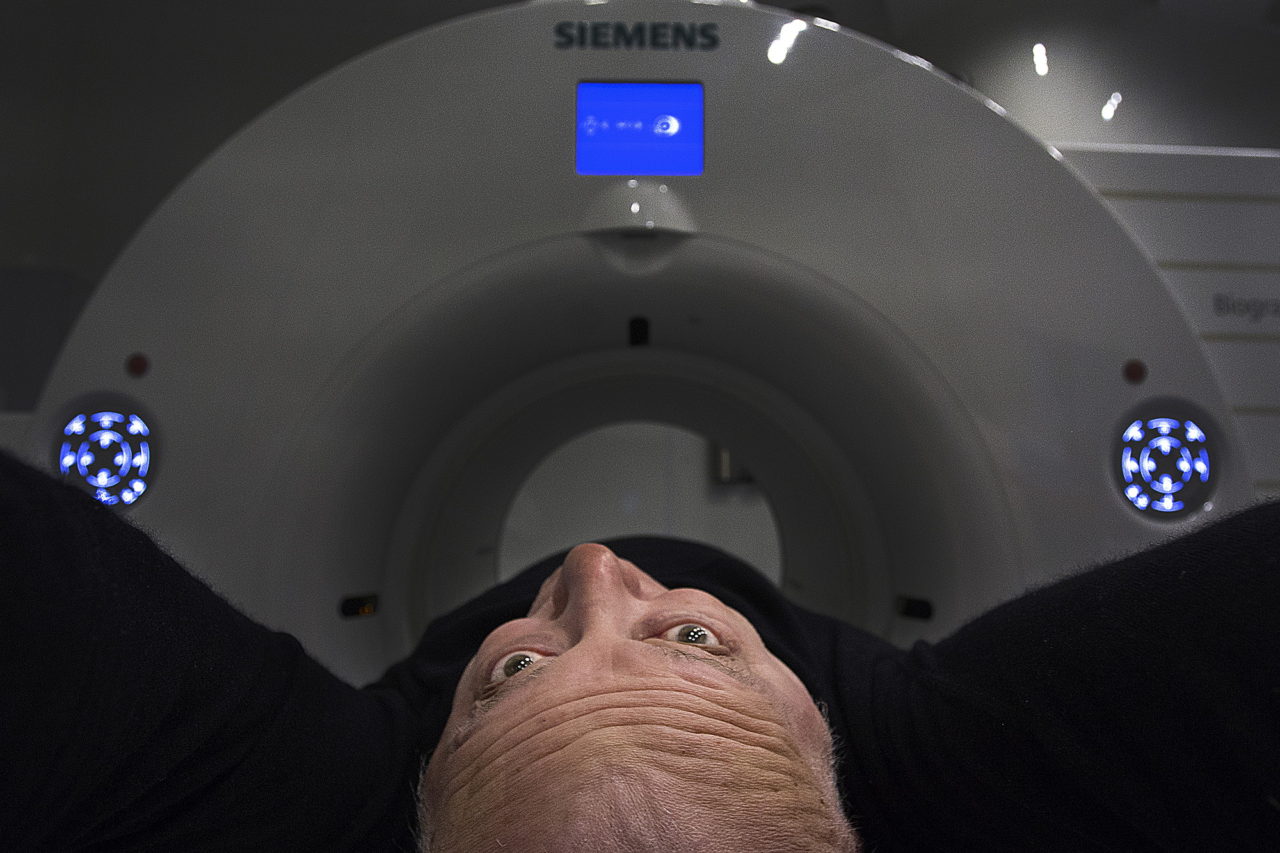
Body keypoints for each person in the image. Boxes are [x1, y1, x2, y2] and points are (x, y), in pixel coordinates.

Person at [2, 447, 1278, 851]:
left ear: (430, 791)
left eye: (516, 667)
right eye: (691, 640)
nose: (592, 569)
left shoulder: (326, 790)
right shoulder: (949, 765)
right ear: (807, 722)